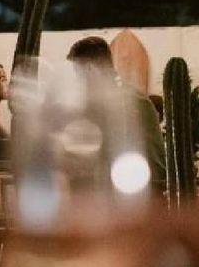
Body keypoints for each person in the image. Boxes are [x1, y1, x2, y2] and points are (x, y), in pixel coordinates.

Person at [67, 36, 166, 189]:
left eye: (77, 73)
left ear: (89, 68)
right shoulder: (133, 95)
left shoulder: (111, 103)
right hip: (151, 188)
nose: (77, 81)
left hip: (133, 193)